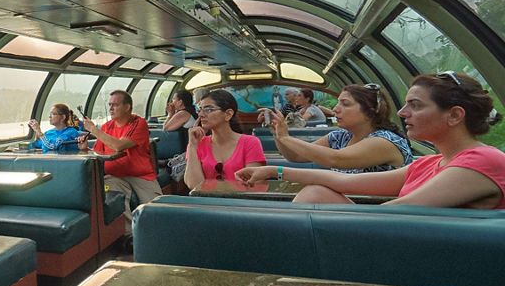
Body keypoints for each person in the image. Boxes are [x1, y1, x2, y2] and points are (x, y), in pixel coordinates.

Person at [237, 73, 505, 208]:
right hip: (408, 244)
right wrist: (274, 170)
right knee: (316, 193)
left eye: (415, 106)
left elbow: (399, 212)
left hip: (438, 262)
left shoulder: (483, 160)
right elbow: (343, 180)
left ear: (455, 115)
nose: (402, 113)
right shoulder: (431, 163)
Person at [264, 83, 411, 173]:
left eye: (345, 104)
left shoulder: (384, 141)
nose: (335, 109)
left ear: (370, 110)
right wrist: (277, 132)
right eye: (338, 103)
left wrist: (285, 137)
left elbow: (335, 159)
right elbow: (295, 157)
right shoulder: (340, 136)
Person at [81, 90, 161, 219]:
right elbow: (98, 153)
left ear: (127, 107)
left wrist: (94, 130)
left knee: (156, 213)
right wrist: (85, 149)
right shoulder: (107, 127)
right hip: (114, 175)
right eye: (110, 105)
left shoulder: (138, 123)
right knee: (116, 206)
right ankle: (129, 235)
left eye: (115, 105)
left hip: (140, 176)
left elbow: (119, 146)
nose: (111, 109)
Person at [183, 89, 266, 188]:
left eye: (208, 109)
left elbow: (254, 184)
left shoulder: (250, 142)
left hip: (241, 201)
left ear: (228, 114)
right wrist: (192, 145)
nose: (201, 115)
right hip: (206, 201)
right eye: (199, 110)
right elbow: (194, 185)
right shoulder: (197, 144)